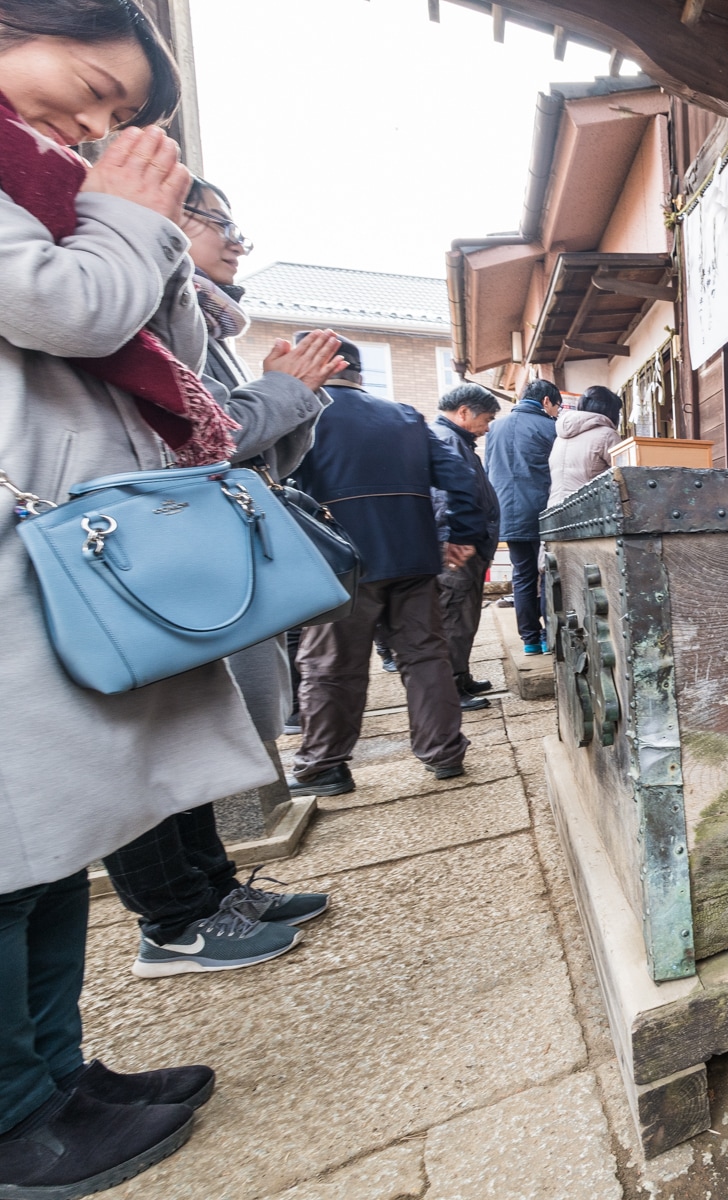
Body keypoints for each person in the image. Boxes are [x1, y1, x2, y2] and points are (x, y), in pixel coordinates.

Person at [0, 3, 262, 1193]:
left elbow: (154, 337)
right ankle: (13, 1116)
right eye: (92, 80)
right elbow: (73, 307)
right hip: (29, 538)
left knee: (52, 842)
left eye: (121, 110)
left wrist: (117, 214)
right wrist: (130, 212)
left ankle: (54, 1076)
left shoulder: (50, 183)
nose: (99, 120)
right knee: (8, 849)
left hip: (50, 538)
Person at [98, 176, 341, 980]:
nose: (236, 240)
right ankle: (173, 920)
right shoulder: (119, 296)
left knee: (182, 735)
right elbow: (195, 436)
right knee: (142, 747)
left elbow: (248, 449)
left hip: (185, 551)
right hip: (144, 554)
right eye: (218, 223)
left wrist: (289, 399)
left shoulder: (202, 318)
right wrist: (283, 394)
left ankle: (214, 894)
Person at [286, 341, 484, 797]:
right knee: (426, 655)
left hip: (340, 561)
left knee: (331, 664)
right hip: (413, 555)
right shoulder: (405, 416)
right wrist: (463, 535)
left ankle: (323, 765)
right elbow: (458, 477)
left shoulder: (302, 415)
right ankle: (444, 752)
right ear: (357, 372)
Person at [431, 384, 502, 709]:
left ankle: (461, 676)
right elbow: (448, 500)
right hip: (456, 550)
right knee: (453, 618)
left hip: (466, 546)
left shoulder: (456, 441)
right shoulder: (447, 443)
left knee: (465, 616)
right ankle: (451, 689)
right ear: (463, 412)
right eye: (485, 419)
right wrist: (459, 541)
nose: (487, 428)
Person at [486, 378, 561, 654]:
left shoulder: (494, 428)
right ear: (545, 402)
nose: (557, 412)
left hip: (506, 511)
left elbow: (487, 471)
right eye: (557, 406)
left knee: (523, 575)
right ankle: (548, 635)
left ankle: (529, 639)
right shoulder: (550, 427)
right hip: (541, 511)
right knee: (548, 573)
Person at [548, 385, 620, 506]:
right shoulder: (607, 435)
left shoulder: (560, 438)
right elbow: (625, 472)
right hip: (587, 511)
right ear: (610, 411)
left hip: (555, 511)